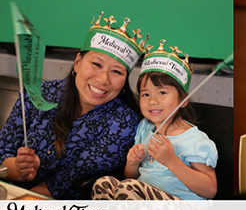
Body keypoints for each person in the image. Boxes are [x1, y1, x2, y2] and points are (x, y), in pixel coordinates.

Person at [0, 11, 146, 199]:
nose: (103, 79)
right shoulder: (37, 93)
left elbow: (60, 185)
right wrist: (18, 168)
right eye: (96, 64)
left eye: (117, 71)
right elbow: (3, 152)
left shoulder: (124, 122)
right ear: (77, 63)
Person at [92, 41, 218, 200]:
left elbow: (210, 190)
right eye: (145, 94)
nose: (152, 101)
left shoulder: (194, 140)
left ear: (183, 100)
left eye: (162, 93)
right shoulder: (145, 128)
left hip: (184, 209)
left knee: (128, 188)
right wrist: (132, 162)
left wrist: (171, 161)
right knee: (104, 184)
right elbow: (130, 177)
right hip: (141, 199)